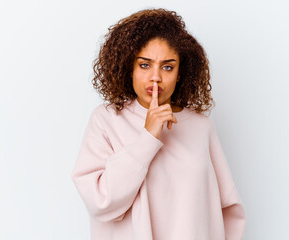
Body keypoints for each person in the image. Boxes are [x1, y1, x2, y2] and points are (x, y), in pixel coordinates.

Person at [71, 8, 246, 240]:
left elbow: (229, 209)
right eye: (144, 65)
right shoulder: (106, 119)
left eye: (167, 66)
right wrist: (149, 136)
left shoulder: (201, 127)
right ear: (129, 69)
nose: (156, 77)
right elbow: (100, 202)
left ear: (180, 73)